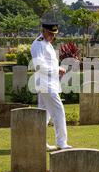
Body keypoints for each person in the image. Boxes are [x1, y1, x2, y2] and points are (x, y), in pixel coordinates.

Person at [31, 23, 72, 151]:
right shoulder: (38, 44)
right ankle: (61, 142)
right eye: (50, 34)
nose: (52, 37)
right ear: (43, 31)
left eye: (54, 35)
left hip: (49, 83)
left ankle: (39, 141)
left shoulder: (47, 44)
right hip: (45, 84)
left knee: (44, 114)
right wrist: (57, 69)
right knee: (58, 111)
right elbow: (39, 65)